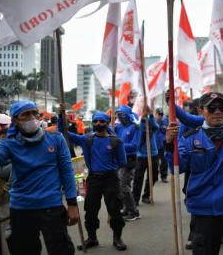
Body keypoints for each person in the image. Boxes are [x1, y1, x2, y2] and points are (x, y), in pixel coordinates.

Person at [165, 92, 223, 255]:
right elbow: (177, 168)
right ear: (201, 111)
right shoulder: (189, 138)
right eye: (211, 108)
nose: (217, 111)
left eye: (221, 107)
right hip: (203, 211)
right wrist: (169, 144)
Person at [0, 100, 79, 255]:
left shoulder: (56, 138)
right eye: (25, 114)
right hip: (21, 208)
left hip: (51, 207)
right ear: (15, 120)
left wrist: (72, 203)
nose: (32, 117)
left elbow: (67, 171)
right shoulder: (9, 144)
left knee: (61, 250)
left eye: (35, 113)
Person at [59, 107, 128, 251]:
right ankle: (92, 238)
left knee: (115, 210)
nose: (98, 123)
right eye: (95, 121)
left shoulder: (116, 142)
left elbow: (123, 162)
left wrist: (110, 166)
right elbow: (64, 133)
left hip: (111, 180)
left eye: (101, 121)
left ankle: (117, 238)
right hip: (93, 180)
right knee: (90, 211)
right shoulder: (86, 139)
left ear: (107, 123)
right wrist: (61, 115)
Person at [114, 105, 141, 221]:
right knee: (121, 186)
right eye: (118, 114)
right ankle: (127, 208)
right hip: (119, 159)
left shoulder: (135, 127)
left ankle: (134, 211)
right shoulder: (118, 127)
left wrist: (119, 145)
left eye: (122, 114)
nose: (120, 117)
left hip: (129, 159)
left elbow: (134, 146)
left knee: (123, 186)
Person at [132, 105, 160, 205]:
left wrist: (151, 114)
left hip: (153, 154)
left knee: (153, 176)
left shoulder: (152, 125)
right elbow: (141, 133)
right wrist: (144, 119)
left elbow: (156, 126)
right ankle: (134, 199)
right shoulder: (138, 125)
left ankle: (146, 195)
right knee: (138, 178)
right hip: (141, 156)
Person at [155, 108, 169, 183]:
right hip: (155, 145)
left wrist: (163, 125)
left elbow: (167, 129)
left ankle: (164, 176)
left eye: (161, 114)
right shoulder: (153, 121)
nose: (160, 116)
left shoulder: (165, 120)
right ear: (156, 114)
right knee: (155, 162)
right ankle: (155, 176)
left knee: (164, 161)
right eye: (159, 114)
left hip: (163, 144)